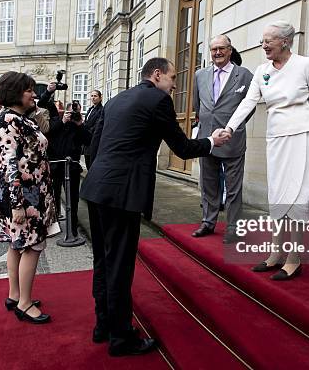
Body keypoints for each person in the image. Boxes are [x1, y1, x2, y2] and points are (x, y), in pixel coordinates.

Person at [80, 57, 230, 356]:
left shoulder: (117, 99)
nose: (175, 85)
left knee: (103, 261)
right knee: (120, 266)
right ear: (157, 75)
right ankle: (121, 338)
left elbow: (94, 146)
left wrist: (101, 177)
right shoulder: (157, 100)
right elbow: (183, 148)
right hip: (122, 194)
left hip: (97, 188)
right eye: (172, 78)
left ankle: (103, 325)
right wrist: (212, 141)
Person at [224, 21, 309, 280]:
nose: (264, 45)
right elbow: (248, 102)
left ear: (285, 41)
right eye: (263, 40)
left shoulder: (304, 65)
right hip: (277, 138)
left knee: (296, 196)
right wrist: (229, 128)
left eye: (268, 40)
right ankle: (274, 254)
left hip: (304, 135)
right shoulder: (262, 71)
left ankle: (293, 259)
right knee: (278, 195)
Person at [0, 72, 56, 324]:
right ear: (15, 92)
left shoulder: (16, 118)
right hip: (25, 197)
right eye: (29, 90)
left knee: (17, 245)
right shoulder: (10, 120)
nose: (34, 94)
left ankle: (15, 295)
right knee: (32, 246)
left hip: (26, 194)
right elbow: (9, 164)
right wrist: (18, 204)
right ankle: (24, 304)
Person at [192, 35, 254, 244]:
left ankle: (233, 227)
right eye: (213, 49)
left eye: (221, 48)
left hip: (232, 141)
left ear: (230, 50)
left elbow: (249, 106)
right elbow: (197, 107)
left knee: (233, 188)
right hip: (207, 140)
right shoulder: (200, 75)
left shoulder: (244, 75)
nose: (217, 52)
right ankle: (208, 222)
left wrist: (235, 127)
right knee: (208, 184)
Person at [38, 83, 91, 234]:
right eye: (71, 111)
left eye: (77, 111)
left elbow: (89, 141)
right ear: (66, 111)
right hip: (55, 166)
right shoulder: (56, 120)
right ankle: (52, 225)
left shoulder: (79, 125)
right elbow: (43, 105)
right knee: (53, 197)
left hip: (72, 167)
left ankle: (72, 228)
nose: (73, 113)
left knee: (73, 200)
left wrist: (80, 124)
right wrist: (63, 121)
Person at [83, 90, 103, 169]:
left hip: (93, 140)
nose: (93, 98)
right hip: (86, 141)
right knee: (87, 162)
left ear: (100, 98)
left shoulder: (101, 110)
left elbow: (97, 126)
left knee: (92, 165)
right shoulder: (90, 109)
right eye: (92, 96)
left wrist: (86, 134)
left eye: (95, 96)